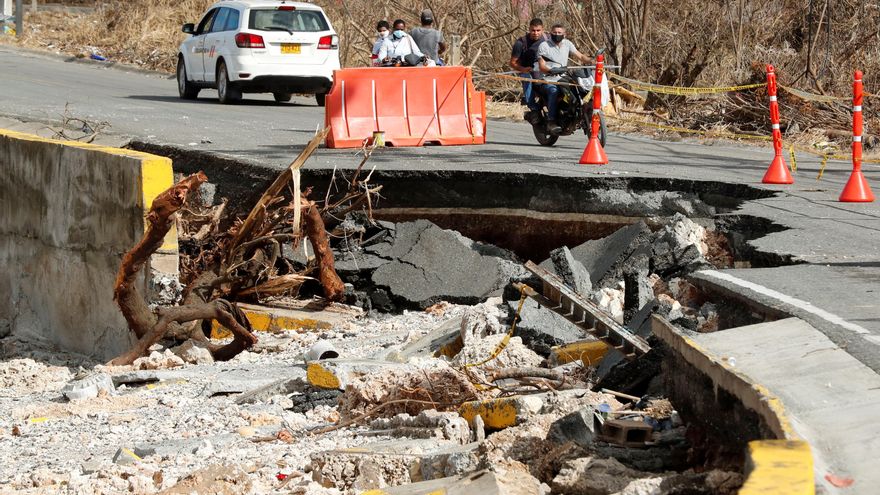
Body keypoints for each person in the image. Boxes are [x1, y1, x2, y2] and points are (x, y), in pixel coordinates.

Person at [536, 24, 592, 134]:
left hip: (563, 77)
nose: (557, 35)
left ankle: (576, 114)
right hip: (548, 79)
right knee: (554, 91)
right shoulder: (544, 45)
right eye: (555, 32)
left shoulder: (567, 44)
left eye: (559, 33)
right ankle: (551, 121)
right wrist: (550, 70)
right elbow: (541, 66)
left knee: (579, 89)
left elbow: (580, 56)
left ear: (564, 34)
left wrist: (593, 62)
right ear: (550, 33)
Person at [509, 18, 548, 124]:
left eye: (538, 30)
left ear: (543, 30)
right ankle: (533, 108)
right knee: (526, 78)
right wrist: (523, 69)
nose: (535, 33)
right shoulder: (521, 43)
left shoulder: (548, 40)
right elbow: (512, 63)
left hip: (544, 70)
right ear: (529, 29)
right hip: (528, 71)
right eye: (533, 30)